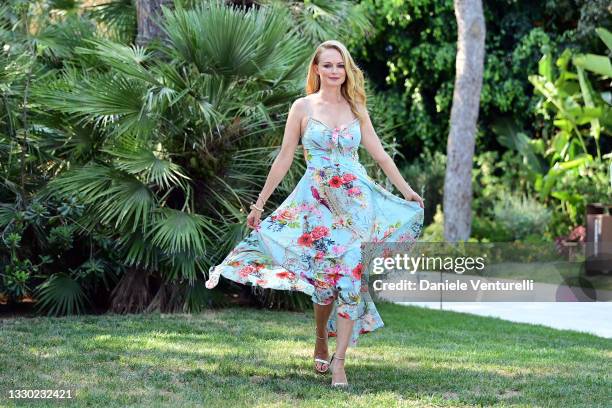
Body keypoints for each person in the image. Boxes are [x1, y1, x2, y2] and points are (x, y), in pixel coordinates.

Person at [205, 40, 425, 387]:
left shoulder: (356, 108)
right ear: (317, 69)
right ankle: (321, 336)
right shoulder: (302, 108)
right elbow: (284, 157)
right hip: (316, 205)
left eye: (340, 65)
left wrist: (407, 190)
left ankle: (339, 363)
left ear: (346, 69)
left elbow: (380, 156)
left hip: (354, 205)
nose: (335, 71)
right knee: (324, 285)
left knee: (351, 278)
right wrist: (260, 204)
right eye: (328, 65)